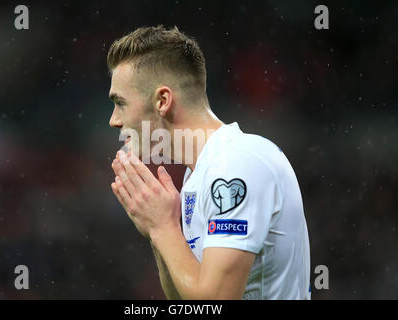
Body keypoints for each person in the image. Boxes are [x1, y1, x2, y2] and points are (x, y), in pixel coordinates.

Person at [108, 25, 311, 299]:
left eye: (120, 103)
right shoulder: (198, 176)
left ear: (163, 100)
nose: (114, 120)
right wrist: (158, 234)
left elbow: (216, 300)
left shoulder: (238, 163)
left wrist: (163, 227)